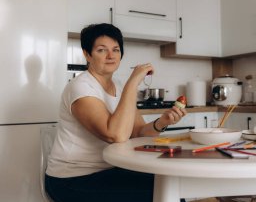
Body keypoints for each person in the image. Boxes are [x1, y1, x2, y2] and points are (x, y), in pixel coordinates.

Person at [45, 23, 187, 202]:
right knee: (161, 194)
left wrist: (162, 122)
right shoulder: (80, 87)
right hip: (72, 179)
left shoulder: (118, 86)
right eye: (102, 50)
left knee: (170, 187)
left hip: (109, 170)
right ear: (87, 54)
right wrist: (133, 81)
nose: (111, 56)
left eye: (116, 49)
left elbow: (137, 133)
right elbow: (116, 135)